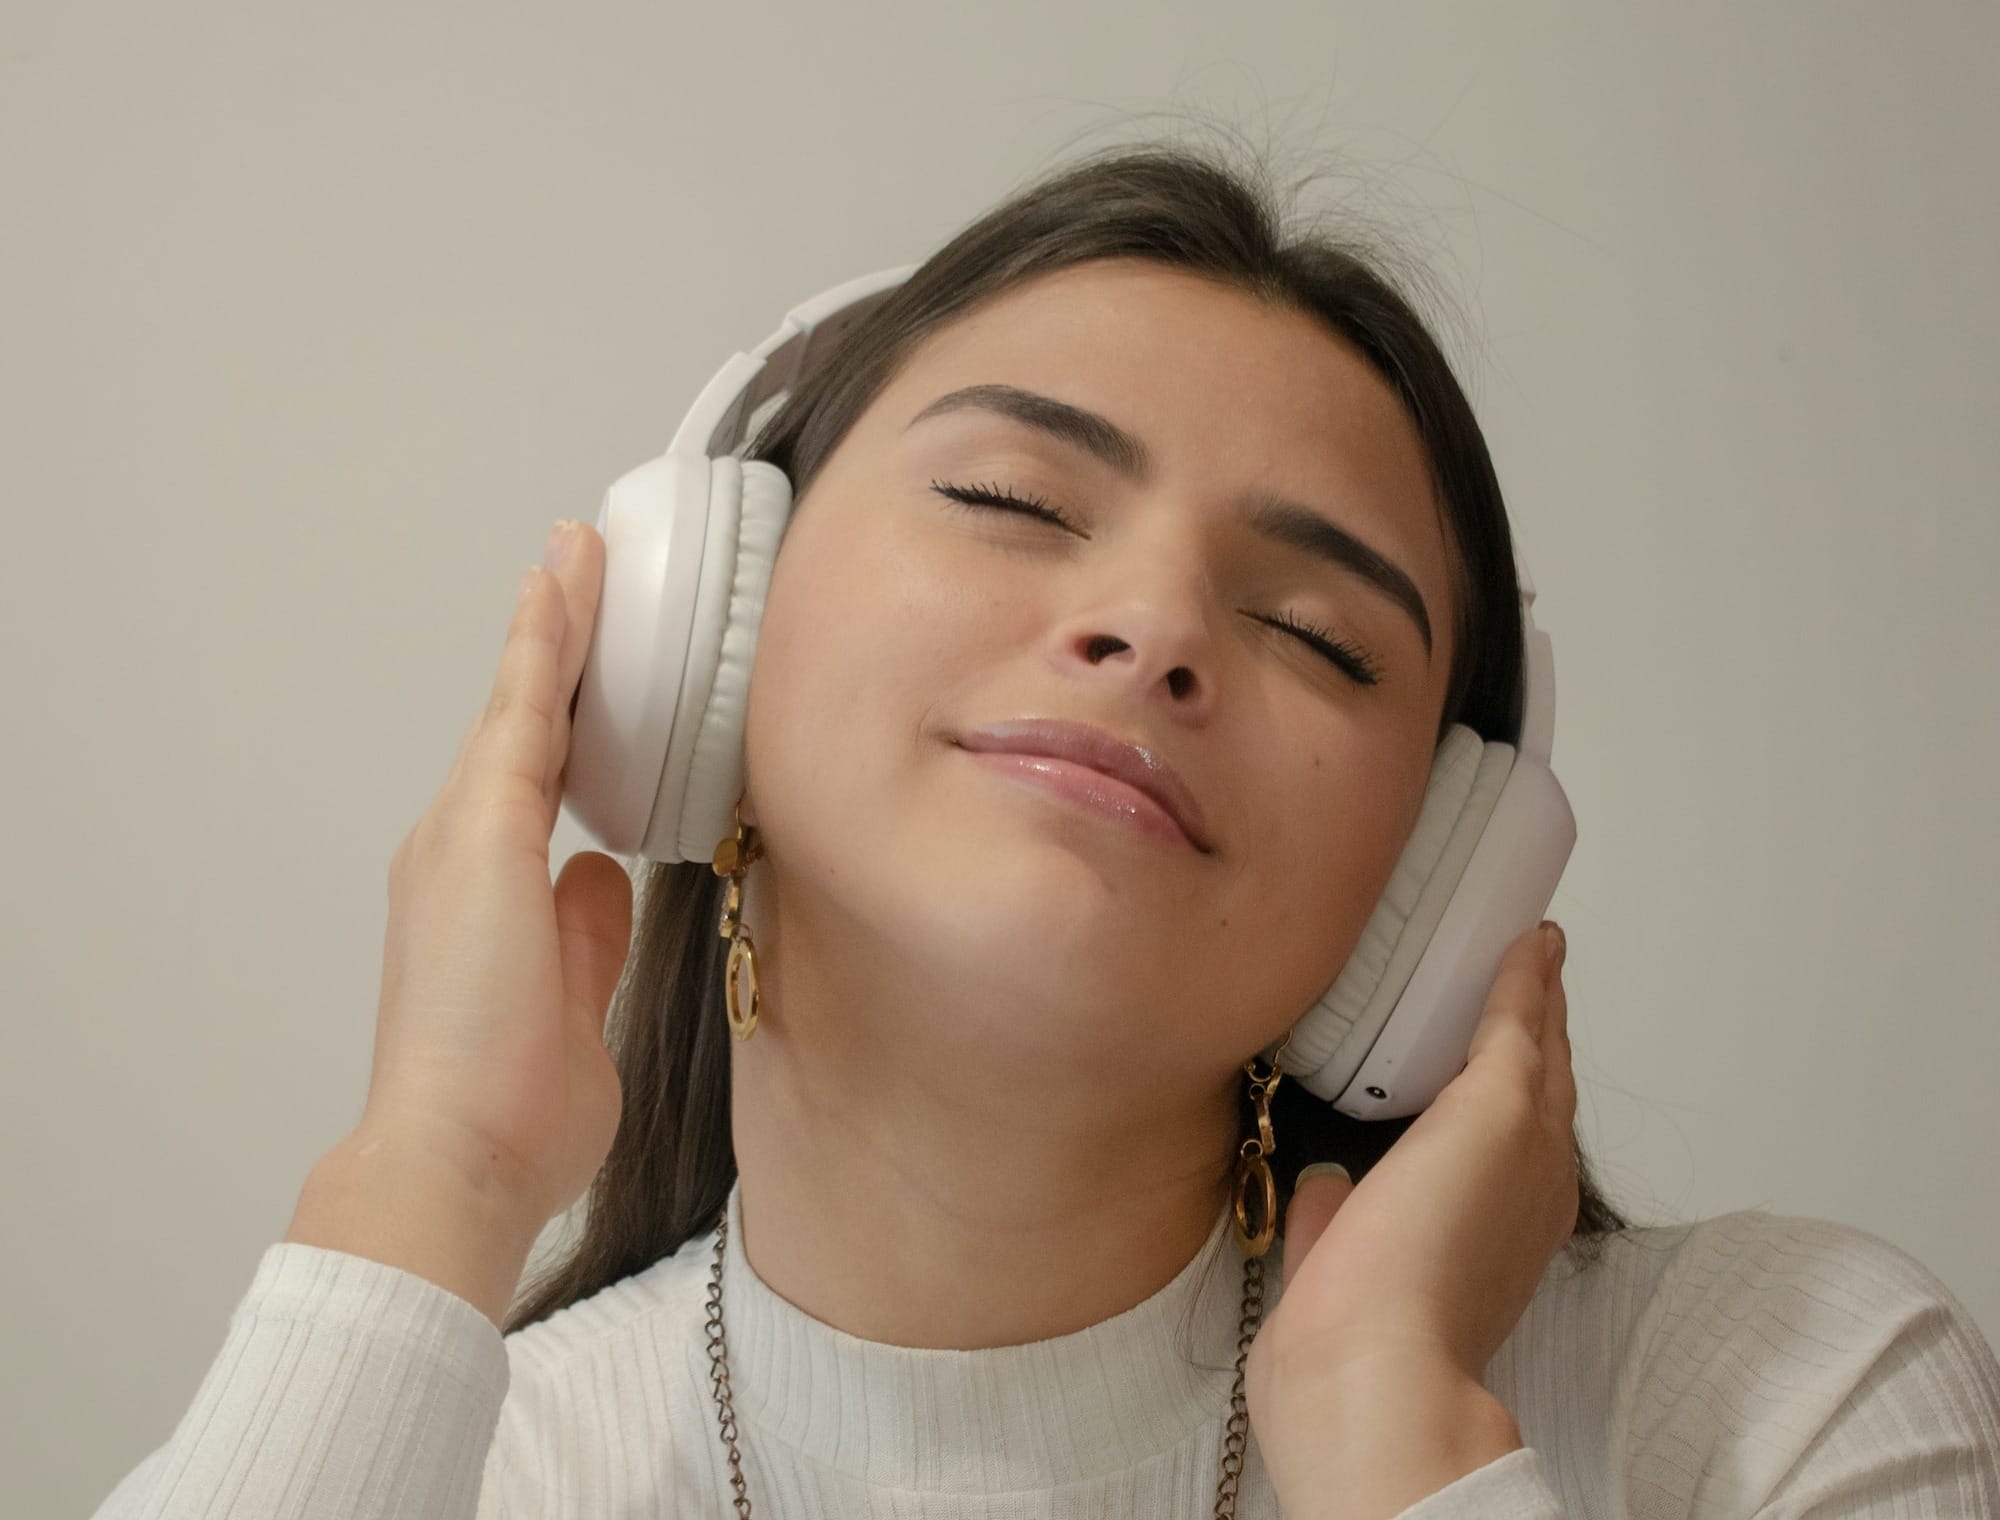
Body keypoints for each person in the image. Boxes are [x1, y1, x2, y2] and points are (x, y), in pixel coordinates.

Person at [93, 141, 2000, 1519]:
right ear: (707, 647)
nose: (1155, 629)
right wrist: (428, 1173)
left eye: (1313, 633)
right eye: (1013, 498)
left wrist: (1396, 1441)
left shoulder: (1766, 1401)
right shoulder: (444, 1460)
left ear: (1430, 891)